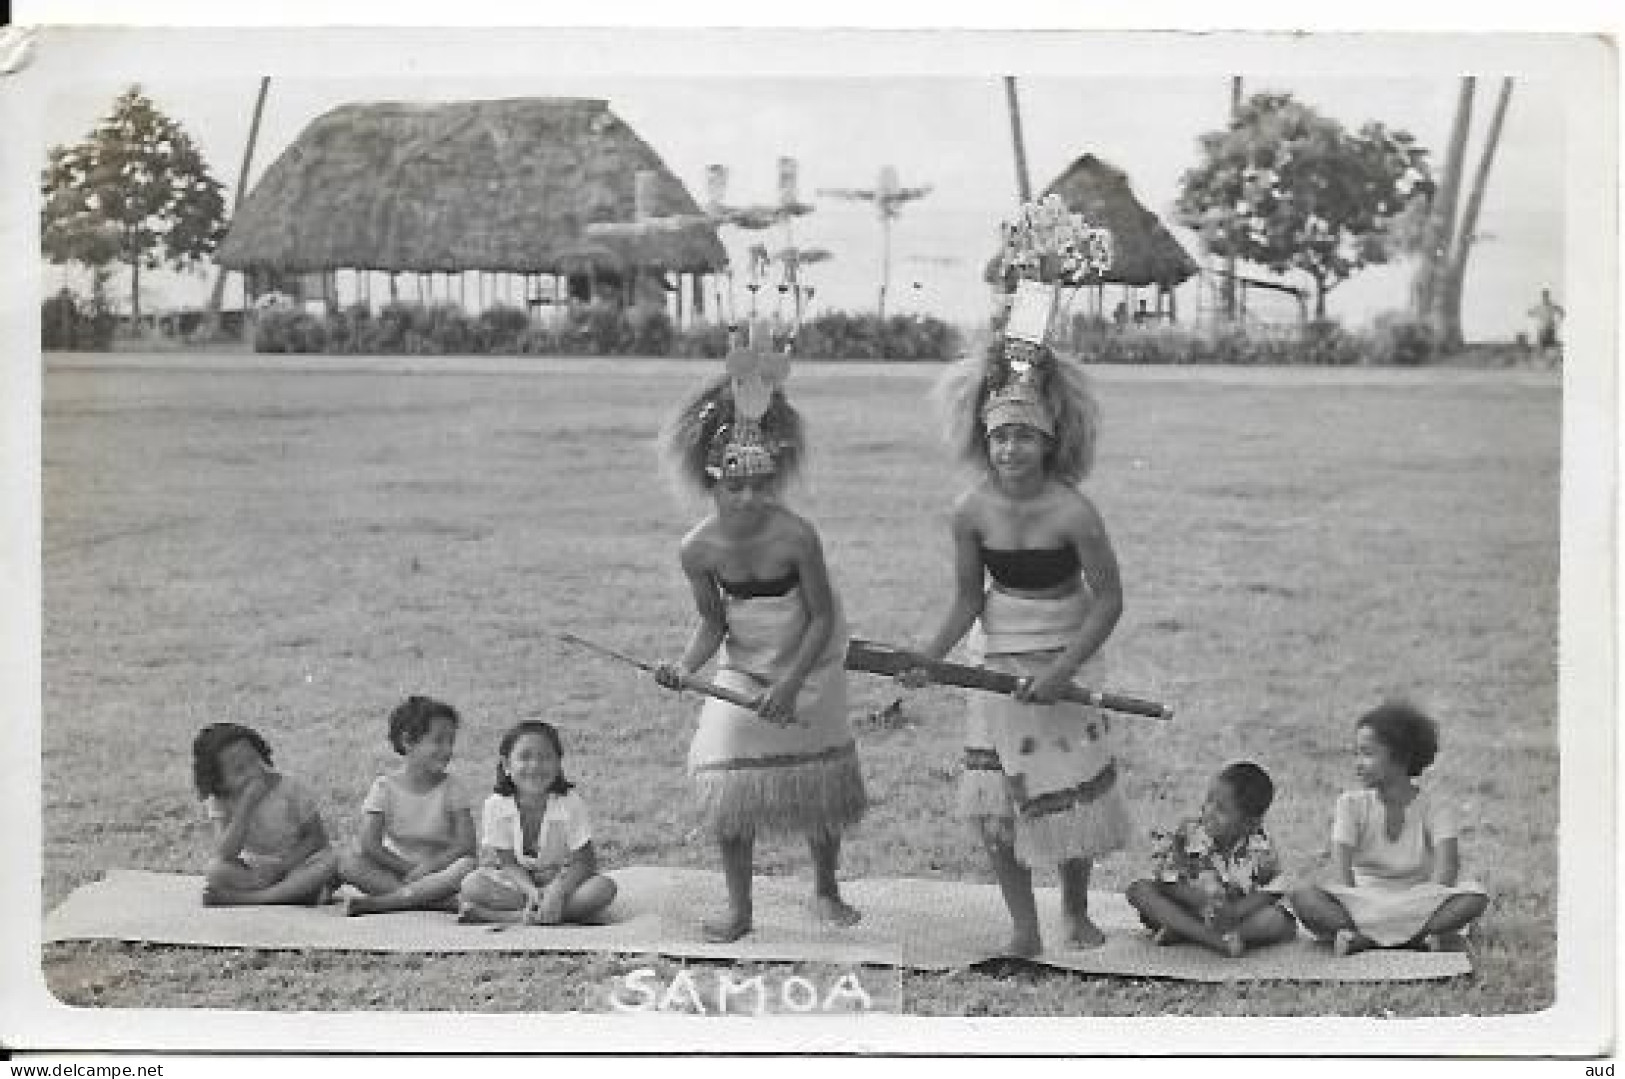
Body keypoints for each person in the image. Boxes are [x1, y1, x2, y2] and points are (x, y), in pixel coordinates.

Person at [901, 296, 1131, 955]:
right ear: (983, 437)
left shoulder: (1073, 511)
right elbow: (965, 598)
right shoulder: (969, 509)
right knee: (995, 800)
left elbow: (1109, 599)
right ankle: (1023, 927)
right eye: (999, 434)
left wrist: (1061, 671)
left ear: (1049, 440)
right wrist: (927, 655)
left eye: (1023, 434)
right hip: (994, 663)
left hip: (1068, 656)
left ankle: (1076, 911)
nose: (1010, 446)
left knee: (1069, 795)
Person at [653, 318, 868, 943]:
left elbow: (823, 616)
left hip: (812, 659)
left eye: (759, 484)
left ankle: (826, 890)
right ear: (711, 478)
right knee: (725, 775)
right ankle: (739, 908)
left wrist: (794, 681)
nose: (748, 498)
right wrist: (686, 668)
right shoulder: (697, 549)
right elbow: (712, 623)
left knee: (818, 777)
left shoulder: (796, 535)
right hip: (744, 666)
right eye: (734, 485)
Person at [1290, 702, 1488, 955]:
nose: (1357, 763)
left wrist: (1427, 902)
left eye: (1367, 754)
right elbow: (1342, 872)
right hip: (1363, 903)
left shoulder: (1437, 806)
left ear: (1401, 757)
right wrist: (1354, 903)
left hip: (1418, 901)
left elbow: (1446, 870)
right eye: (1355, 754)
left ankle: (1367, 939)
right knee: (1302, 895)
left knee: (1475, 896)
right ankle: (1414, 940)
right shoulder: (1350, 804)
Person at [1125, 761, 1297, 958]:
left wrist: (1235, 911)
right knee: (1139, 890)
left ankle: (1184, 932)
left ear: (1250, 823)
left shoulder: (1261, 846)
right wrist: (1200, 902)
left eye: (1221, 809)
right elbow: (1166, 880)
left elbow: (1272, 891)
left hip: (1234, 918)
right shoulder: (1189, 832)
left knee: (1279, 921)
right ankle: (1212, 940)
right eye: (1209, 800)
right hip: (1189, 909)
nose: (1209, 811)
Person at [456, 720, 618, 925]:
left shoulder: (570, 802)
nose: (535, 766)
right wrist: (532, 891)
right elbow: (508, 863)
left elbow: (584, 862)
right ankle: (546, 913)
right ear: (507, 765)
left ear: (558, 764)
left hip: (560, 880)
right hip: (518, 884)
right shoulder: (495, 805)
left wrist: (557, 891)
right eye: (525, 757)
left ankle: (507, 917)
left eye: (545, 758)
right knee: (472, 884)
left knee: (604, 888)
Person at [339, 695, 476, 916]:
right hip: (396, 871)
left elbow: (466, 846)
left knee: (466, 866)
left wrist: (429, 868)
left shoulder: (453, 787)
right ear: (408, 741)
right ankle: (434, 901)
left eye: (451, 741)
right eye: (439, 740)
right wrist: (409, 869)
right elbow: (369, 844)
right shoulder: (384, 787)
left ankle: (383, 903)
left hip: (441, 872)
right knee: (348, 863)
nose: (448, 749)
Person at [191, 722, 339, 907]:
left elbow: (317, 838)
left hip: (298, 862)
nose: (253, 772)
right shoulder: (220, 800)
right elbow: (226, 853)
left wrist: (283, 867)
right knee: (215, 870)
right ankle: (295, 893)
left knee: (332, 862)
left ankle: (249, 899)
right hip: (259, 868)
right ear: (219, 782)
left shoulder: (289, 788)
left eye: (254, 760)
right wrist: (246, 806)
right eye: (239, 770)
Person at [1527, 288, 1565, 364]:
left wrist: (1558, 322)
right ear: (1542, 297)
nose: (1545, 298)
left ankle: (1557, 359)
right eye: (1544, 296)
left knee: (1552, 345)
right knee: (1540, 346)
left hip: (1550, 328)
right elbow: (1530, 313)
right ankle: (1541, 361)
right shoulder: (1539, 306)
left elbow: (1562, 312)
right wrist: (1530, 312)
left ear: (1548, 296)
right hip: (1542, 329)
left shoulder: (1552, 305)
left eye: (1546, 296)